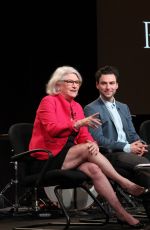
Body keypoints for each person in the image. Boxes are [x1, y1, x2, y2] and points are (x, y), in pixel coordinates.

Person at [29, 66, 147, 228]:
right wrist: (77, 124)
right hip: (48, 157)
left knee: (94, 168)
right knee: (86, 150)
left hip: (70, 154)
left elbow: (84, 135)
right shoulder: (48, 101)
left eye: (77, 82)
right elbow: (52, 129)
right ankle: (124, 183)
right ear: (58, 85)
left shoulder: (76, 106)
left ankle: (122, 214)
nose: (74, 85)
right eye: (69, 81)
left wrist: (91, 143)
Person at [84, 65, 150, 218]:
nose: (108, 87)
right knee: (143, 166)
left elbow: (132, 134)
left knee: (146, 155)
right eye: (104, 83)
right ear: (97, 85)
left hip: (129, 150)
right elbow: (99, 140)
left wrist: (139, 144)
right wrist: (127, 147)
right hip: (111, 155)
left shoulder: (123, 107)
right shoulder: (91, 108)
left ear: (117, 85)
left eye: (111, 83)